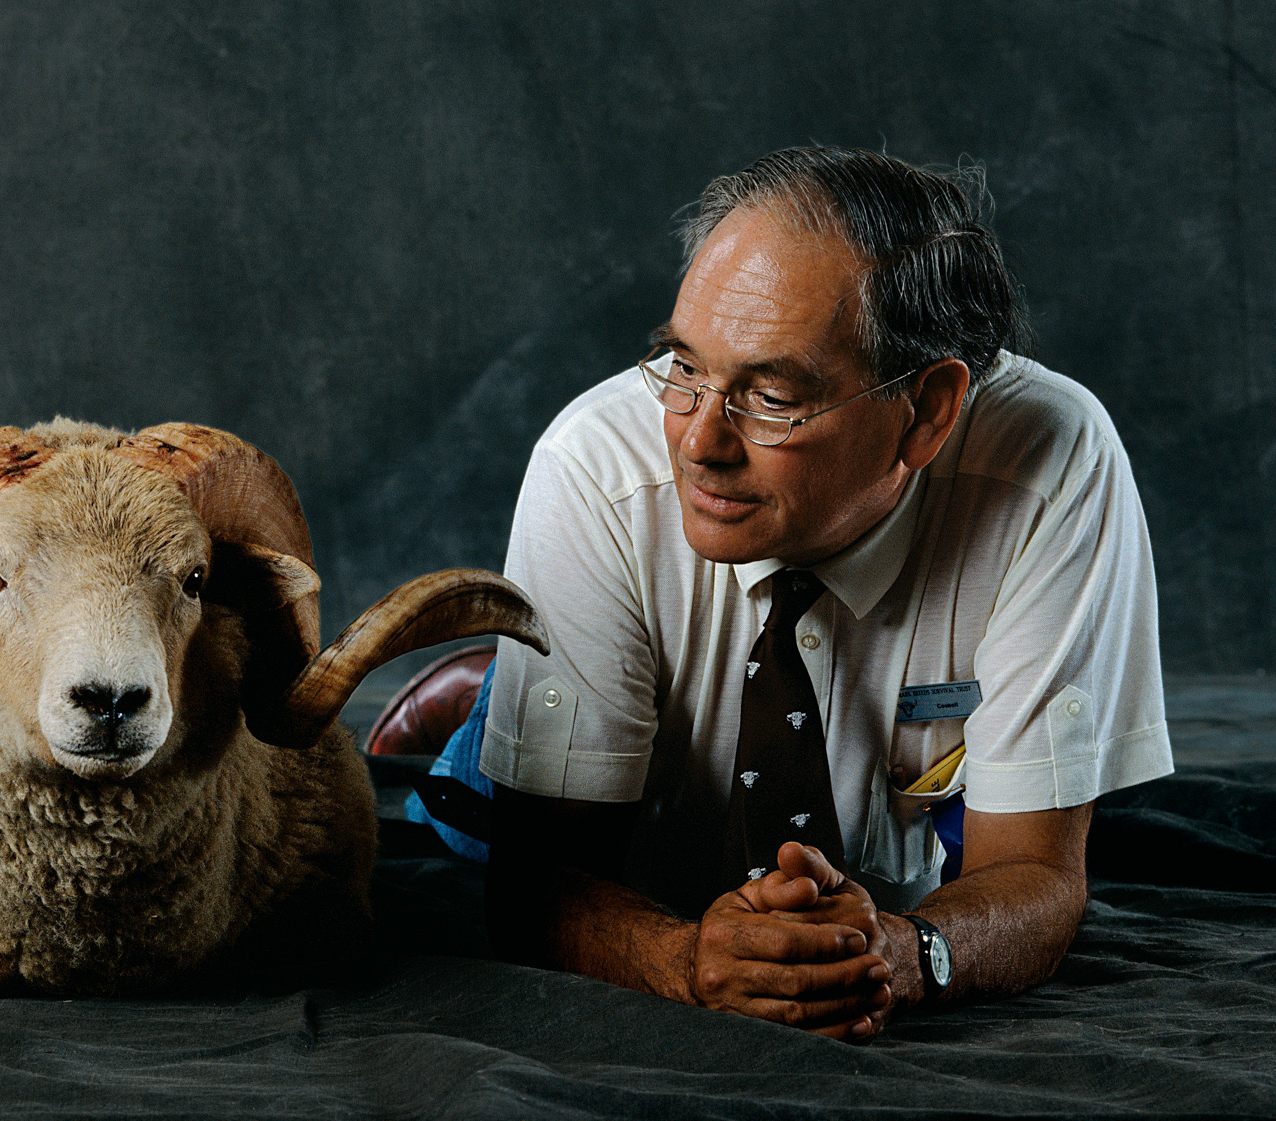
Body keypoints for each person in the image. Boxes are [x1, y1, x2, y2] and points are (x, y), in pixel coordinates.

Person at [445, 147, 1172, 1040]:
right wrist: (685, 963)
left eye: (772, 395)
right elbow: (533, 886)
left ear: (928, 410)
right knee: (466, 802)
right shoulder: (593, 469)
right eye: (684, 365)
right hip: (617, 770)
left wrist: (901, 953)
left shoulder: (1050, 467)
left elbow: (1038, 877)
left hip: (886, 850)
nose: (700, 442)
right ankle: (479, 697)